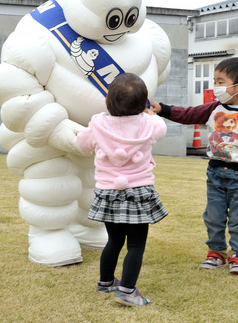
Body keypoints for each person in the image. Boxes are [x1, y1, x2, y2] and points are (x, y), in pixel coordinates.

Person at [151, 57, 238, 276]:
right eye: (214, 81)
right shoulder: (214, 108)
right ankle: (216, 252)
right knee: (213, 216)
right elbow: (188, 114)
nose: (215, 87)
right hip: (215, 173)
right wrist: (163, 109)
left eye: (220, 81)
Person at [76, 73, 167, 307]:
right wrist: (150, 114)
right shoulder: (149, 124)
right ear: (143, 103)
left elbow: (82, 144)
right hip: (139, 191)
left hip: (108, 192)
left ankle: (106, 282)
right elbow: (161, 128)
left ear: (108, 101)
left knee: (114, 240)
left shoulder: (98, 124)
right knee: (136, 244)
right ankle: (127, 290)